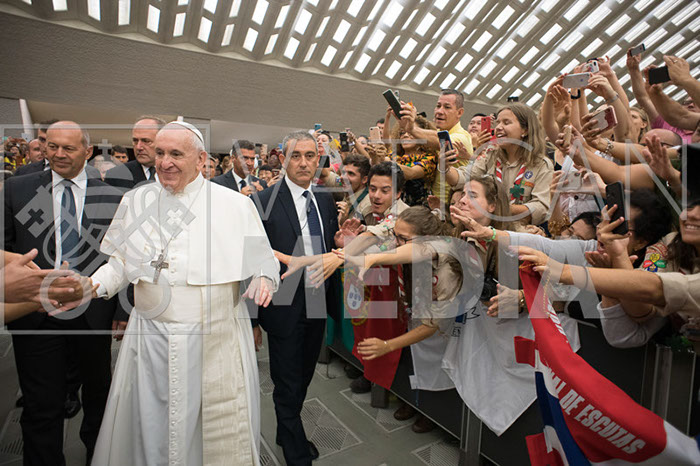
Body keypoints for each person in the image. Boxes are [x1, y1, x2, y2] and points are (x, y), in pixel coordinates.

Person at [88, 121, 279, 465]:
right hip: (150, 338)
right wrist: (92, 286)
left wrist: (264, 278)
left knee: (208, 434)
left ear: (201, 159)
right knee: (151, 426)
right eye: (160, 153)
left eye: (176, 153)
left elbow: (264, 260)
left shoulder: (234, 205)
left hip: (215, 338)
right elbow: (119, 263)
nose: (165, 162)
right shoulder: (135, 201)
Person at [3, 121, 124, 465]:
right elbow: (5, 247)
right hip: (34, 313)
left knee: (98, 399)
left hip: (93, 314)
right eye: (51, 146)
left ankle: (97, 457)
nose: (57, 154)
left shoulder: (113, 198)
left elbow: (121, 258)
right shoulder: (17, 189)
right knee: (41, 406)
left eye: (68, 148)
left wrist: (120, 311)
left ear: (87, 151)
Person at [253, 130, 340, 466]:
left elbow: (328, 246)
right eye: (296, 156)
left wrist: (342, 243)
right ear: (283, 159)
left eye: (309, 156)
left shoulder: (325, 199)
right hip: (283, 303)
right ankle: (295, 451)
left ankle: (286, 428)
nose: (303, 163)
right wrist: (252, 318)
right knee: (287, 381)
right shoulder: (262, 202)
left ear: (318, 160)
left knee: (304, 374)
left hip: (318, 298)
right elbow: (251, 262)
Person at [445, 103, 554, 226]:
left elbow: (541, 208)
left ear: (525, 130)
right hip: (487, 228)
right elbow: (464, 177)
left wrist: (498, 208)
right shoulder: (490, 156)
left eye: (506, 123)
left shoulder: (541, 165)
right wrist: (445, 168)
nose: (498, 128)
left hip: (519, 231)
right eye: (498, 123)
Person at [103, 116, 164, 192]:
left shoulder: (176, 172)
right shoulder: (116, 175)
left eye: (146, 141)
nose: (138, 147)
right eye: (135, 141)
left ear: (163, 141)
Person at [336, 153, 371, 225]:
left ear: (364, 179)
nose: (343, 177)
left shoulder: (368, 206)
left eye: (351, 173)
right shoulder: (349, 193)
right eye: (343, 173)